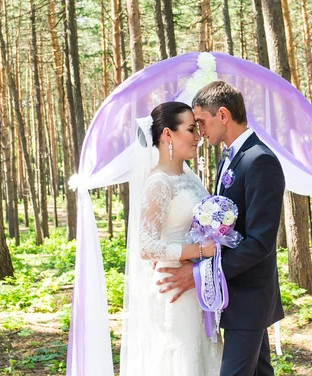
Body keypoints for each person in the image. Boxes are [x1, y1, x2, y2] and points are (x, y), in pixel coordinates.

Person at [157, 81, 285, 375]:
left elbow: (260, 242)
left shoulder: (260, 160)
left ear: (223, 115)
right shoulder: (229, 160)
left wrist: (202, 275)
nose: (199, 131)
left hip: (250, 296)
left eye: (201, 121)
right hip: (235, 295)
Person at [120, 101, 223, 375]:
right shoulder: (159, 182)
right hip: (174, 289)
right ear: (168, 134)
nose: (198, 137)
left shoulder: (188, 177)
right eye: (190, 129)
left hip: (197, 283)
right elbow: (147, 246)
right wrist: (200, 250)